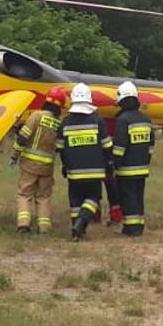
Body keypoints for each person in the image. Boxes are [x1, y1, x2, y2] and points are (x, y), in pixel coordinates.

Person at [57, 83, 111, 240]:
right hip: (95, 171)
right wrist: (109, 164)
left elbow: (60, 147)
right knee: (93, 197)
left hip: (73, 171)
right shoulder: (97, 121)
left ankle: (77, 230)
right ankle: (81, 223)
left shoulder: (65, 123)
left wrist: (65, 166)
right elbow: (107, 145)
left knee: (75, 200)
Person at [12, 86, 66, 233]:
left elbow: (23, 138)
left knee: (25, 194)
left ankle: (23, 225)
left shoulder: (37, 116)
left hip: (29, 165)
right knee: (43, 197)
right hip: (47, 167)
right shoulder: (59, 122)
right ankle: (44, 228)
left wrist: (14, 155)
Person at [109, 81, 155, 237]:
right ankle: (139, 225)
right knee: (138, 197)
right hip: (142, 167)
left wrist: (114, 164)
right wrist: (146, 161)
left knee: (127, 198)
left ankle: (131, 228)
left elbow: (120, 146)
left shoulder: (123, 120)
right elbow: (151, 145)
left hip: (126, 168)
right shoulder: (146, 120)